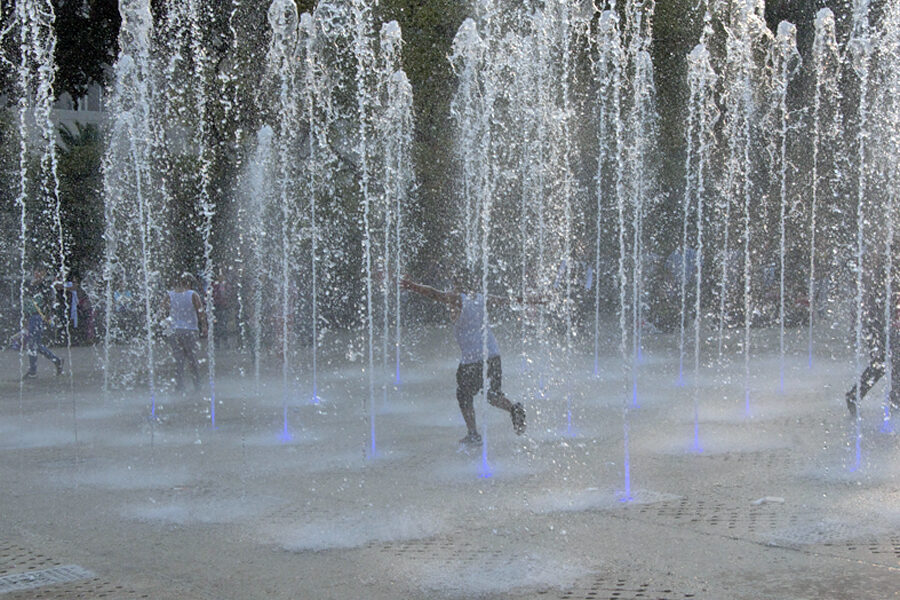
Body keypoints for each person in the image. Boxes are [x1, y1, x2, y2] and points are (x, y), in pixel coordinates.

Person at [400, 268, 538, 446]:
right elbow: (507, 300)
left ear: (457, 284)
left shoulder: (459, 299)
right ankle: (514, 408)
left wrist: (413, 287)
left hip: (473, 358)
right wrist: (534, 301)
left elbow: (434, 294)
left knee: (463, 394)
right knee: (493, 395)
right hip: (492, 353)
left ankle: (473, 433)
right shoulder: (482, 298)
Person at [164, 272, 207, 392]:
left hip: (174, 330)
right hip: (190, 330)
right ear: (189, 283)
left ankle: (179, 385)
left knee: (178, 359)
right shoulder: (192, 294)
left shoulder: (170, 295)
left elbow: (162, 310)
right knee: (192, 358)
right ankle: (197, 384)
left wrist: (167, 324)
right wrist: (204, 326)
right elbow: (200, 311)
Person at [21, 268, 63, 379]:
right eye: (36, 271)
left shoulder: (44, 286)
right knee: (36, 345)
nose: (37, 274)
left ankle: (33, 371)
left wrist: (48, 315)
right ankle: (56, 361)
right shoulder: (30, 284)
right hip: (32, 317)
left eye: (40, 272)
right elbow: (26, 302)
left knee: (33, 344)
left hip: (37, 317)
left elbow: (49, 302)